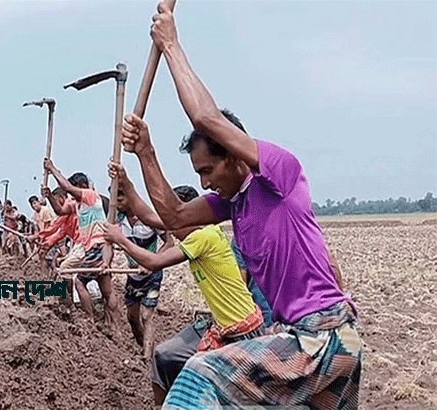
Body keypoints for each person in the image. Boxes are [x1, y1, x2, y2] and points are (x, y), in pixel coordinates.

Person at [118, 4, 362, 408]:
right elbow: (174, 217)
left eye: (208, 170)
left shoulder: (279, 174)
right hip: (327, 339)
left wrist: (172, 45)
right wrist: (146, 152)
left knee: (199, 375)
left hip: (321, 335)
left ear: (234, 156)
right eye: (198, 174)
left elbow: (206, 117)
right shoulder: (235, 205)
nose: (204, 182)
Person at [101, 176, 265, 406]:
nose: (170, 227)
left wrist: (120, 240)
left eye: (174, 219)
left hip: (240, 330)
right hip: (221, 325)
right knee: (164, 356)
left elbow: (153, 262)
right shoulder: (197, 232)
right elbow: (149, 216)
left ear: (191, 215)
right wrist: (127, 182)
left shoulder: (203, 237)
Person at [43, 158, 119, 325]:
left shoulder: (90, 196)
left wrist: (53, 168)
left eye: (74, 191)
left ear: (82, 186)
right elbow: (60, 210)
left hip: (97, 246)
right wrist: (49, 197)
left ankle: (89, 320)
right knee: (105, 287)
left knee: (79, 280)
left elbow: (68, 188)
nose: (71, 195)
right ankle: (112, 323)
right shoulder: (78, 205)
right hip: (92, 247)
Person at [109, 184, 174, 361]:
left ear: (130, 197)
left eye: (120, 199)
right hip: (133, 276)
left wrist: (152, 262)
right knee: (132, 317)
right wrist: (105, 263)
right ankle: (142, 348)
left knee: (147, 316)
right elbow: (108, 246)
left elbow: (169, 243)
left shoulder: (149, 218)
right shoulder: (117, 222)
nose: (117, 204)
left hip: (152, 276)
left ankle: (147, 357)